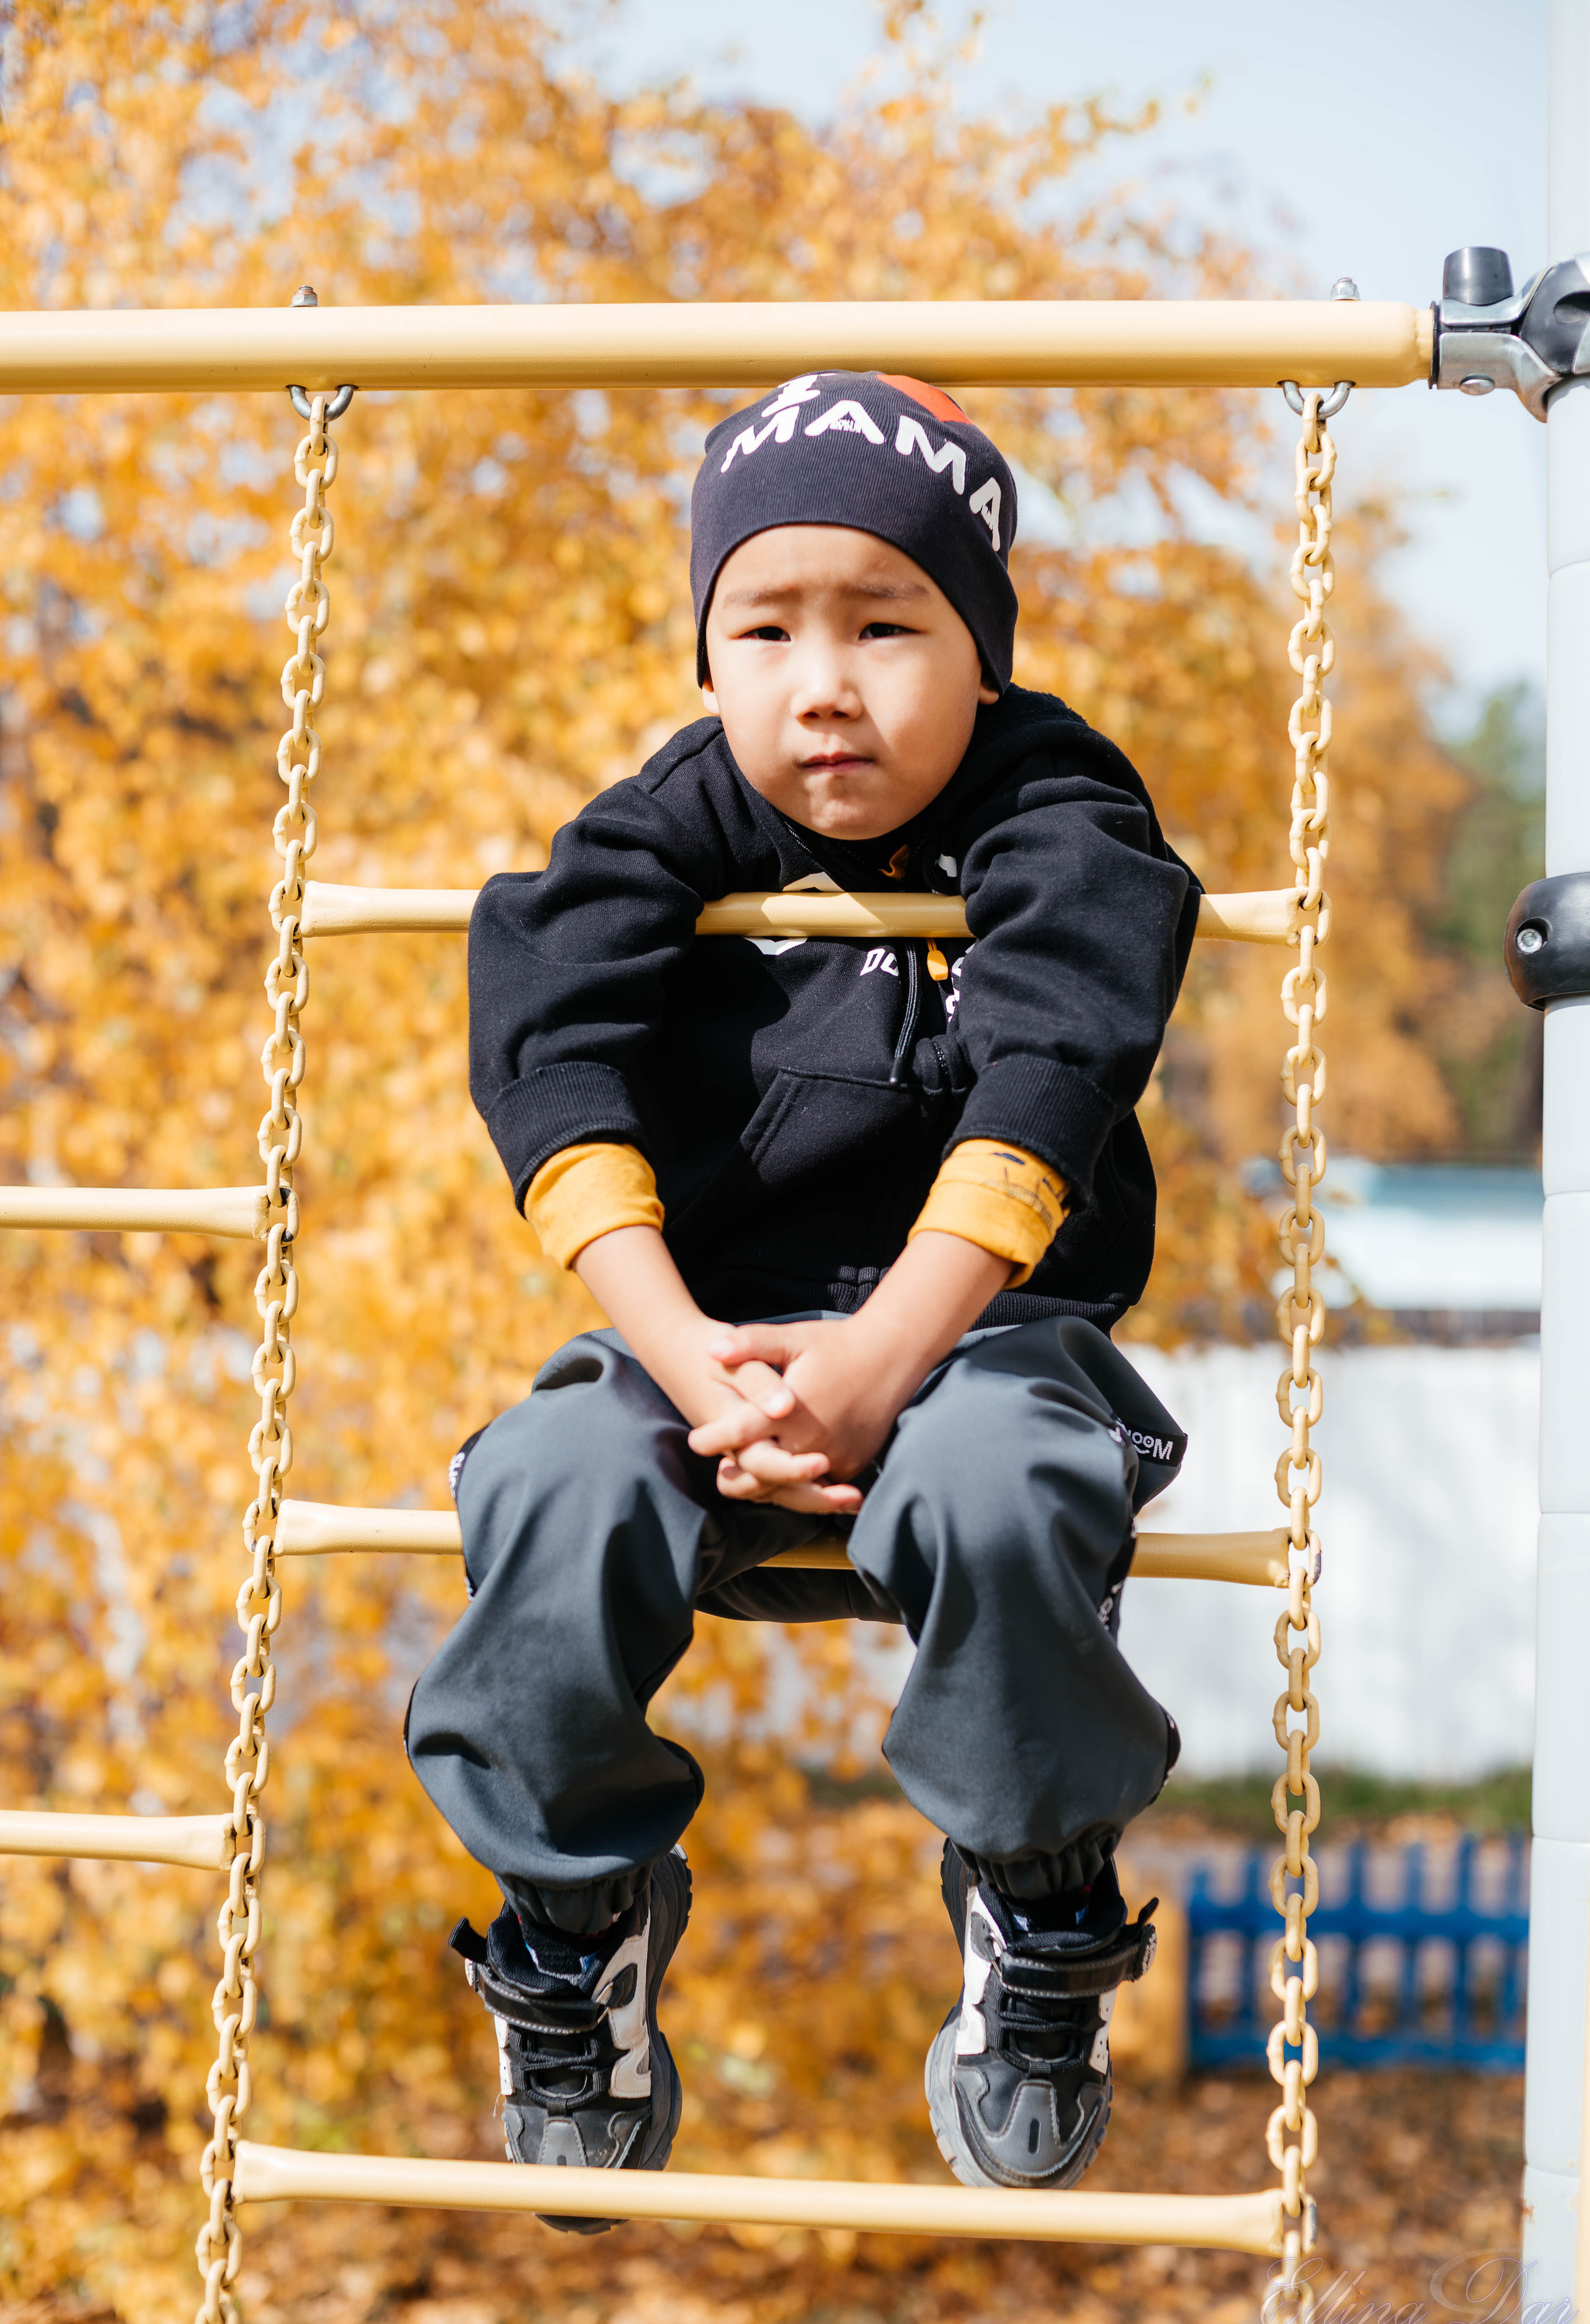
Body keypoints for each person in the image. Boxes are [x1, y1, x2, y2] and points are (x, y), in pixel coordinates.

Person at [406, 369, 1197, 2222]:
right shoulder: (667, 827)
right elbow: (551, 1049)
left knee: (1006, 1488)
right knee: (542, 1480)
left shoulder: (1057, 799)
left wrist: (883, 1357)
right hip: (708, 1339)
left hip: (977, 1332)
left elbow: (1059, 1053)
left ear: (982, 650)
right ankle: (576, 1903)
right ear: (708, 657)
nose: (822, 681)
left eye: (885, 622)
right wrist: (686, 1353)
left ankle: (1037, 1884)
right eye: (764, 628)